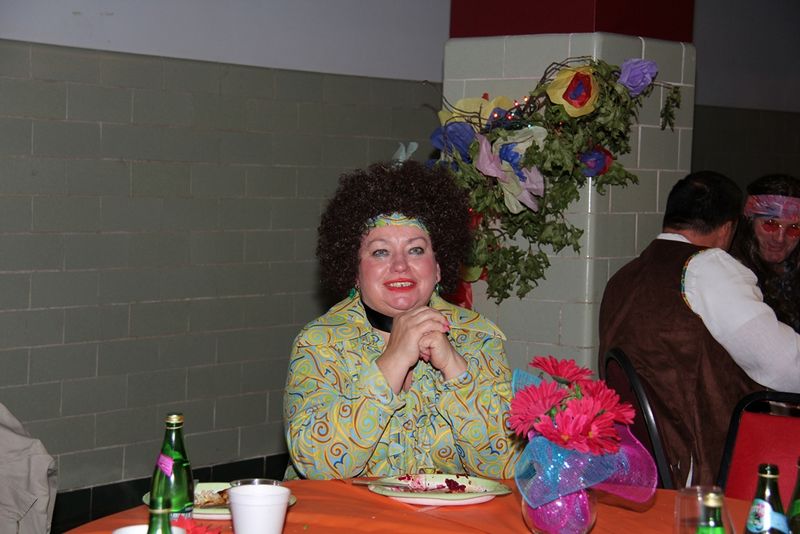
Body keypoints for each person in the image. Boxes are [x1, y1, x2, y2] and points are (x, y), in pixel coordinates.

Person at [283, 161, 519, 480]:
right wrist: (391, 363)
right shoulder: (320, 344)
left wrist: (454, 368)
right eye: (380, 252)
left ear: (438, 267)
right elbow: (315, 465)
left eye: (416, 250)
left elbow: (507, 468)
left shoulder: (479, 339)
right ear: (355, 272)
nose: (400, 266)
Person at [598, 170, 800, 487]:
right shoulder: (708, 267)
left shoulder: (621, 278)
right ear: (729, 228)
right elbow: (785, 367)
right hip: (702, 465)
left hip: (640, 460)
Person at [731, 174, 800, 332]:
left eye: (794, 228)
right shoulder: (732, 272)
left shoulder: (794, 268)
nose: (779, 238)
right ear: (749, 222)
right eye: (770, 224)